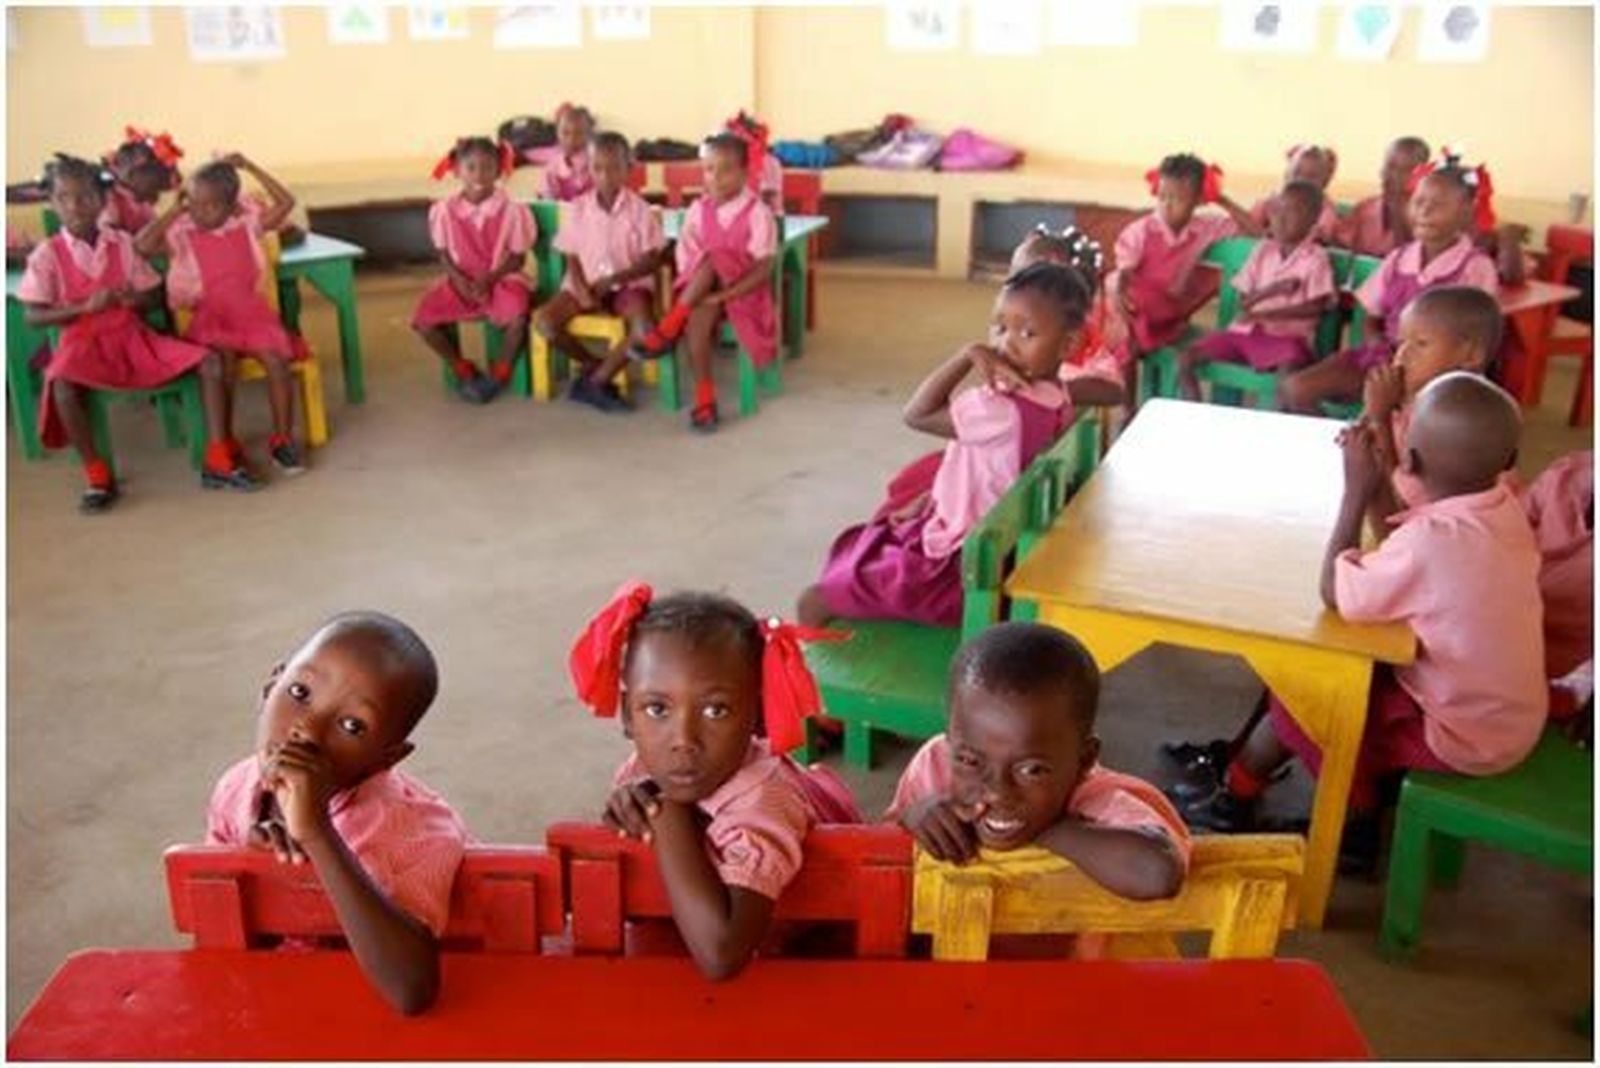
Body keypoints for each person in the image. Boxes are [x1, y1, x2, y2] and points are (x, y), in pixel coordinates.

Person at [1178, 374, 1545, 875]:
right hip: (1506, 717)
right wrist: (1376, 484)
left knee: (1304, 700)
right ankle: (1326, 803)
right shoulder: (1501, 508)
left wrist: (1354, 493)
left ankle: (1303, 811)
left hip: (1462, 736)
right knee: (1338, 675)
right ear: (1507, 461)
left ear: (1411, 461)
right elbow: (1410, 529)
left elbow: (1336, 592)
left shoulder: (1433, 544)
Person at [569, 583, 862, 980]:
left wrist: (666, 816)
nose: (684, 740)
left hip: (829, 957)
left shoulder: (763, 801)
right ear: (627, 716)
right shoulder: (645, 765)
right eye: (657, 708)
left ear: (758, 716)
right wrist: (627, 806)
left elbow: (722, 954)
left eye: (715, 710)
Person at [797, 264, 1093, 629]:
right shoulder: (1056, 395)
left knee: (815, 599)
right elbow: (993, 471)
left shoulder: (999, 409)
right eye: (999, 327)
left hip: (953, 575)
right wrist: (931, 499)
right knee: (871, 540)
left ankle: (799, 684)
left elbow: (916, 414)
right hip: (995, 558)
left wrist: (966, 355)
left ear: (1068, 344)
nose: (1004, 344)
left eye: (1027, 332)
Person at [205, 612, 469, 1015]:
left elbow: (411, 992)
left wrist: (317, 835)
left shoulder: (419, 831)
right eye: (298, 692)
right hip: (283, 1006)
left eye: (351, 725)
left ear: (387, 758)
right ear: (269, 686)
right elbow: (215, 925)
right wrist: (256, 866)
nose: (308, 730)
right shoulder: (236, 789)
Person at [18, 154, 250, 511]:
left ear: (101, 200)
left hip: (132, 337)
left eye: (84, 197)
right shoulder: (47, 255)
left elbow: (155, 293)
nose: (75, 206)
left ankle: (218, 458)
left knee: (212, 362)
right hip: (83, 342)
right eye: (63, 198)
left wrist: (136, 299)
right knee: (61, 384)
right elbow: (33, 316)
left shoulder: (122, 244)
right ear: (51, 202)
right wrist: (83, 308)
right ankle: (97, 475)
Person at [1278, 155, 1498, 415]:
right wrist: (1378, 347)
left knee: (1407, 418)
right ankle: (1338, 445)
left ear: (1467, 211)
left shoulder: (1475, 267)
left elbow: (1478, 337)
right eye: (1418, 202)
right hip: (1384, 358)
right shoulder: (1400, 258)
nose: (1424, 212)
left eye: (1438, 205)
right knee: (1295, 389)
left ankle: (1377, 445)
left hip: (1439, 373)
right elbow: (1371, 317)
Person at [137, 154, 308, 474]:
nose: (201, 212)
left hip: (252, 314)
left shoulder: (246, 224)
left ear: (231, 206)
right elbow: (143, 246)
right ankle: (225, 441)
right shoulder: (183, 233)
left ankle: (282, 439)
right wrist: (176, 208)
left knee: (277, 361)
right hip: (212, 316)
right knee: (222, 366)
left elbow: (286, 202)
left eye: (211, 205)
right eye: (196, 204)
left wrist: (251, 167)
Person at [629, 134, 778, 432]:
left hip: (743, 294)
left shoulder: (758, 214)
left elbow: (763, 269)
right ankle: (705, 397)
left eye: (726, 169)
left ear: (744, 173)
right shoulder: (698, 210)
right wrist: (705, 293)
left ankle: (668, 328)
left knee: (713, 257)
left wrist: (723, 295)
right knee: (697, 325)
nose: (716, 177)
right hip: (702, 292)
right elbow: (687, 258)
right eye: (709, 169)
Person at [534, 132, 666, 414]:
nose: (605, 175)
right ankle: (594, 365)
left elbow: (652, 260)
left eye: (614, 167)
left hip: (628, 286)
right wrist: (580, 288)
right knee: (545, 323)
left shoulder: (641, 211)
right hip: (586, 283)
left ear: (628, 169)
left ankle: (596, 383)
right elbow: (570, 252)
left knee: (644, 331)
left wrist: (614, 280)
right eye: (597, 168)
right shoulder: (579, 209)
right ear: (589, 169)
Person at [1177, 179, 1336, 400]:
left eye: (1291, 212)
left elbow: (1315, 308)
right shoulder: (1263, 250)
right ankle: (1193, 412)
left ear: (1312, 221)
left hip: (1286, 339)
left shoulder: (1315, 258)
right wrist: (1273, 290)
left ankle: (1279, 425)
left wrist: (1265, 313)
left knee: (1288, 378)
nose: (1281, 218)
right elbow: (1244, 303)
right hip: (1243, 334)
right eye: (1278, 210)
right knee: (1186, 358)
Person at [412, 137, 535, 404]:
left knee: (519, 318)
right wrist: (460, 279)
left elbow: (517, 257)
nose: (479, 174)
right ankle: (463, 368)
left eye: (487, 167)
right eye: (471, 167)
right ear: (457, 170)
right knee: (423, 321)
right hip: (460, 280)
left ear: (499, 170)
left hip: (501, 278)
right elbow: (443, 253)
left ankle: (500, 373)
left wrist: (490, 278)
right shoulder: (444, 211)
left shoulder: (513, 211)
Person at [541, 103, 596, 202]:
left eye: (579, 133)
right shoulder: (553, 165)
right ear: (557, 133)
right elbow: (547, 197)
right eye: (565, 133)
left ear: (588, 134)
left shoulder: (596, 162)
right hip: (561, 213)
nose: (571, 139)